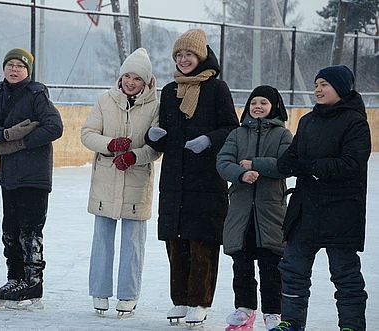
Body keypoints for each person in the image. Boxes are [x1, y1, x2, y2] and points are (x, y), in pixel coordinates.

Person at [145, 29, 239, 325]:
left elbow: (231, 129)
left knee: (202, 241)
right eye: (179, 55)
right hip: (174, 177)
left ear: (201, 56)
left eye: (188, 54)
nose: (183, 60)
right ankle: (181, 300)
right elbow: (165, 134)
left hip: (206, 178)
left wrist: (209, 140)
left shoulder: (216, 88)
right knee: (176, 240)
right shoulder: (170, 91)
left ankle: (200, 301)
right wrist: (154, 137)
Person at [272, 65, 371, 331]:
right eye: (316, 84)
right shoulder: (307, 120)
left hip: (341, 210)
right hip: (305, 209)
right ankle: (290, 323)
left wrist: (310, 167)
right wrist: (289, 164)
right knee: (292, 269)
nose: (317, 89)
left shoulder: (355, 122)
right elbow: (291, 158)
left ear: (340, 87)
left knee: (345, 273)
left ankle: (351, 325)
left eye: (324, 84)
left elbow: (351, 164)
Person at [0, 48, 63, 309]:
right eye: (10, 65)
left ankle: (33, 282)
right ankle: (14, 278)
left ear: (28, 70)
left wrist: (23, 142)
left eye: (19, 66)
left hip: (34, 176)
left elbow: (54, 127)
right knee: (10, 232)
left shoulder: (37, 93)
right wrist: (6, 135)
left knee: (30, 232)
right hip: (9, 175)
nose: (14, 70)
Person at [81, 48, 160, 316]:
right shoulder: (105, 101)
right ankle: (99, 292)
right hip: (106, 179)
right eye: (127, 76)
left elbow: (156, 147)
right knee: (102, 239)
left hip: (137, 181)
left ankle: (128, 295)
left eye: (137, 78)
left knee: (133, 242)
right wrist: (110, 145)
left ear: (146, 82)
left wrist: (134, 156)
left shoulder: (156, 107)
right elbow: (87, 134)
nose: (130, 82)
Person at [216, 86, 293, 330]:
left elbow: (287, 163)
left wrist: (256, 164)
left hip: (270, 213)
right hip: (241, 212)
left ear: (275, 107)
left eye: (264, 103)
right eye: (253, 103)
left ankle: (272, 312)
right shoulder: (237, 134)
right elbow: (223, 162)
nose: (258, 106)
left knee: (271, 266)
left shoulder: (283, 135)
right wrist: (241, 174)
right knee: (242, 264)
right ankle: (244, 308)